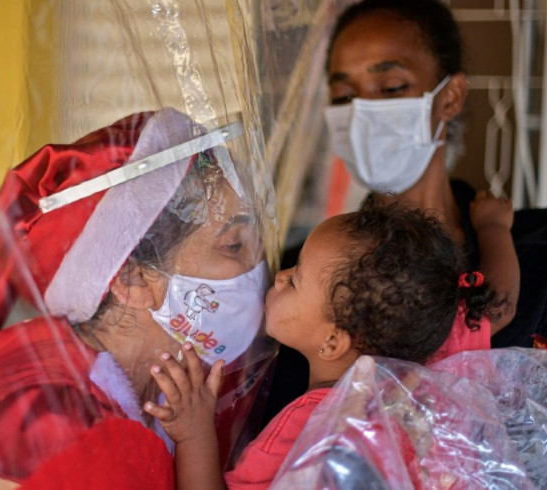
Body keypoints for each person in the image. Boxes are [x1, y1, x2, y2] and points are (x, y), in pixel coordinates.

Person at [0, 108, 274, 489]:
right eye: (234, 246)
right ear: (131, 278)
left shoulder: (52, 354)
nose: (260, 267)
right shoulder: (70, 431)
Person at [143, 202, 502, 489]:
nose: (280, 276)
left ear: (331, 342)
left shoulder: (311, 430)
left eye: (295, 279)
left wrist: (195, 432)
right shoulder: (425, 382)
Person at [323, 0, 547, 364]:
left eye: (390, 88)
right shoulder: (313, 271)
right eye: (344, 95)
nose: (362, 114)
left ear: (450, 97)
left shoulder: (539, 251)